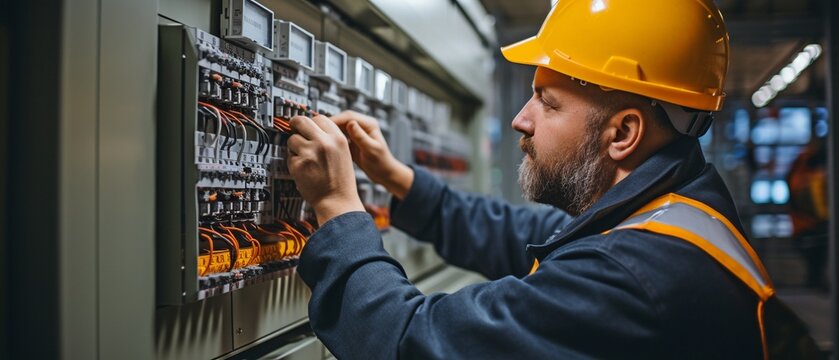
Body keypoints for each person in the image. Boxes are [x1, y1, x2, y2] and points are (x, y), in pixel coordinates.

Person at [285, 0, 819, 358]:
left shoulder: (633, 276)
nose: (521, 118)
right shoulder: (673, 211)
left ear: (623, 133)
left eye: (547, 101)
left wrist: (337, 204)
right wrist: (396, 178)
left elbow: (408, 341)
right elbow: (525, 234)